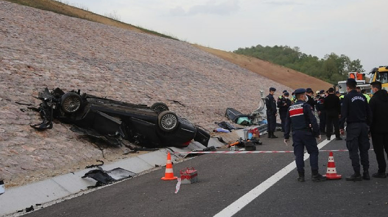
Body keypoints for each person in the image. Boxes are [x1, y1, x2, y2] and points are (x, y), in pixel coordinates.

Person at [284, 88, 325, 182]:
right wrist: (317, 132)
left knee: (298, 155)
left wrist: (286, 136)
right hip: (306, 132)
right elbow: (313, 120)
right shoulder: (305, 106)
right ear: (302, 96)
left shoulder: (290, 108)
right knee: (313, 152)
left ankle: (301, 176)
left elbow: (287, 123)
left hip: (296, 134)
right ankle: (315, 174)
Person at [339, 78, 372, 181]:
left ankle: (357, 173)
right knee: (364, 150)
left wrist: (341, 127)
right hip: (363, 125)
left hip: (353, 126)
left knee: (353, 150)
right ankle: (366, 172)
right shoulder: (362, 97)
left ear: (348, 87)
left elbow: (343, 114)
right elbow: (369, 112)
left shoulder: (347, 97)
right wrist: (369, 127)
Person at [369, 81, 388, 178]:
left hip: (377, 130)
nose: (371, 90)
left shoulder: (374, 100)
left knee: (379, 151)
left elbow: (370, 116)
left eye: (372, 88)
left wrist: (368, 130)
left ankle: (382, 171)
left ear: (375, 89)